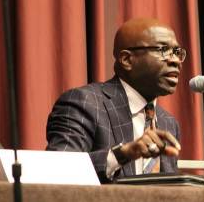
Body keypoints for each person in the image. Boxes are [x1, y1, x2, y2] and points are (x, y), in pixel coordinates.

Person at [46, 18, 184, 183]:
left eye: (176, 52)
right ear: (126, 60)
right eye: (163, 50)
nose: (175, 60)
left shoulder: (168, 122)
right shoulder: (84, 103)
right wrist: (122, 154)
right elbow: (58, 170)